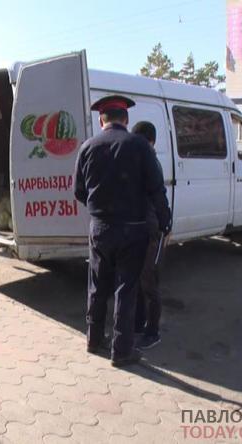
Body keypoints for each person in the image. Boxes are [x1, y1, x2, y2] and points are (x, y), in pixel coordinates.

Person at [74, 95, 171, 367]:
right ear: (125, 119)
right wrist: (165, 222)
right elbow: (157, 191)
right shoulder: (140, 146)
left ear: (101, 119)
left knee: (97, 287)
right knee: (126, 290)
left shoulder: (87, 147)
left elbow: (79, 191)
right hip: (133, 230)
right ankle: (122, 350)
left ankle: (94, 340)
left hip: (100, 229)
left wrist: (100, 210)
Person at [132, 121, 166, 350]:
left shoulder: (151, 162)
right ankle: (138, 323)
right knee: (137, 279)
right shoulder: (138, 159)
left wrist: (165, 227)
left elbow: (159, 199)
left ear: (150, 142)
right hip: (138, 228)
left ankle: (153, 331)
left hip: (150, 230)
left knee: (148, 282)